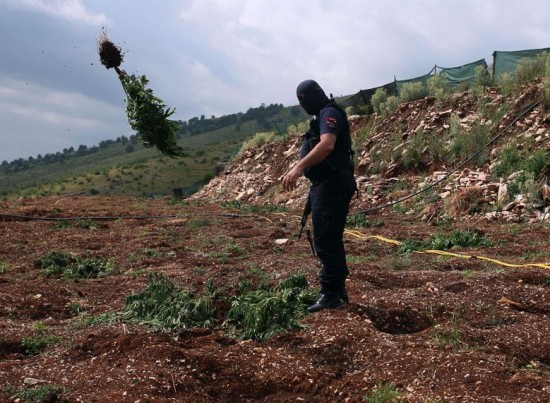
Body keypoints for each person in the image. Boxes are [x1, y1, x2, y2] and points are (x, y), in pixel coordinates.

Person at [282, 79, 357, 313]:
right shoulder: (320, 116)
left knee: (326, 241)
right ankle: (337, 290)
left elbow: (327, 145)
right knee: (328, 238)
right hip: (325, 185)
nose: (303, 106)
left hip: (333, 185)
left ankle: (331, 294)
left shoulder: (329, 113)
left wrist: (299, 167)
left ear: (314, 96)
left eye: (304, 100)